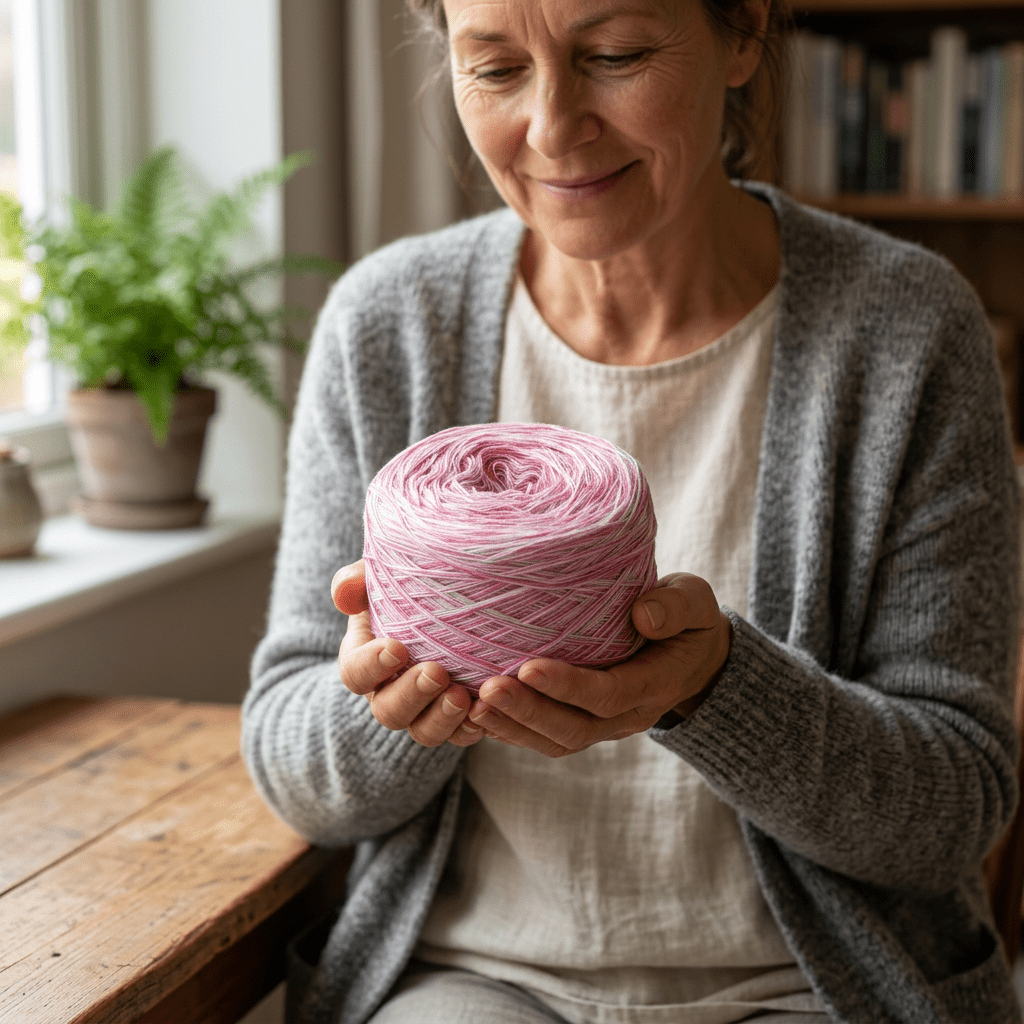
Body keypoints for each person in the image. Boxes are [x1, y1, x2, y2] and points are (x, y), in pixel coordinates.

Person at [241, 0, 1023, 1020]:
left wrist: (717, 688)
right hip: (472, 977)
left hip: (810, 986)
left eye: (612, 56)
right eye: (494, 68)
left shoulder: (906, 333)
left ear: (743, 33)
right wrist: (391, 710)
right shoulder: (389, 327)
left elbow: (954, 804)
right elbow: (292, 761)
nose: (553, 127)